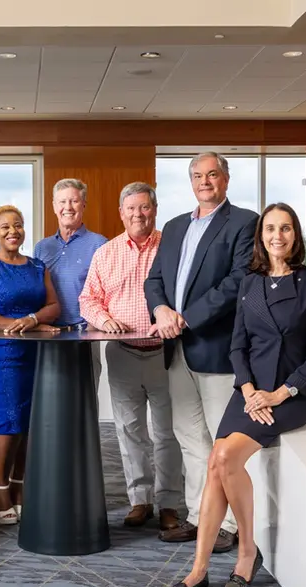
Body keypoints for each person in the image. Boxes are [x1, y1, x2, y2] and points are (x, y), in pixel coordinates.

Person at [167, 203, 306, 587]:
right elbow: (238, 346)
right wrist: (247, 391)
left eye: (286, 228)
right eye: (270, 229)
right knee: (214, 462)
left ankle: (246, 550)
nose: (278, 236)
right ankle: (199, 568)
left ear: (296, 235)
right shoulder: (250, 283)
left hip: (292, 394)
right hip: (249, 391)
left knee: (225, 457)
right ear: (261, 236)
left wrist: (279, 393)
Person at [144, 152, 258, 554]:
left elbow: (238, 281)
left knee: (222, 439)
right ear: (190, 181)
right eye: (197, 175)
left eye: (212, 174)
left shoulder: (244, 222)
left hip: (216, 348)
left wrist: (186, 318)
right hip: (176, 350)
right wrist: (161, 310)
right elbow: (154, 278)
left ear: (225, 179)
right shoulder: (174, 226)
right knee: (189, 437)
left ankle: (228, 523)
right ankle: (198, 515)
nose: (204, 181)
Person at [79, 182, 184, 530]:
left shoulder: (172, 250)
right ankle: (140, 500)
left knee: (167, 432)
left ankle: (169, 502)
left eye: (144, 208)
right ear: (121, 213)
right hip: (122, 354)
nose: (138, 214)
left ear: (154, 210)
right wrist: (103, 319)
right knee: (129, 430)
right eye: (131, 209)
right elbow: (88, 299)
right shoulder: (105, 254)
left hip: (165, 354)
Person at [0, 205, 60, 524]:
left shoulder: (38, 266)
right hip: (2, 352)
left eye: (18, 226)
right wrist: (21, 324)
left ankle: (21, 485)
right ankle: (1, 487)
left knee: (29, 422)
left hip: (35, 353)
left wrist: (33, 320)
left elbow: (53, 305)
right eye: (5, 227)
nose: (12, 231)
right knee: (10, 420)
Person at [34, 178, 107, 384]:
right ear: (54, 206)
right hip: (49, 334)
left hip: (84, 334)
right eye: (62, 202)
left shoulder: (99, 244)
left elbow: (106, 291)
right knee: (52, 402)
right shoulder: (42, 247)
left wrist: (94, 327)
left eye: (74, 201)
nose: (68, 207)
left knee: (85, 400)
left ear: (83, 205)